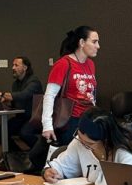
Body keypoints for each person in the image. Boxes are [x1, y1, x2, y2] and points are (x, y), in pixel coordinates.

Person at [27, 26, 100, 172]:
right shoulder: (63, 64)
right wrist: (47, 125)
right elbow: (49, 96)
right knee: (68, 160)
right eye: (94, 41)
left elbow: (91, 93)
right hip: (69, 120)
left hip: (87, 119)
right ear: (81, 42)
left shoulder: (90, 64)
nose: (98, 46)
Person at [43, 106, 132, 185]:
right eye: (78, 136)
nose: (83, 144)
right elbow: (61, 166)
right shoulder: (80, 142)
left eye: (90, 143)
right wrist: (49, 172)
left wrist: (94, 179)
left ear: (105, 140)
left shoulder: (125, 155)